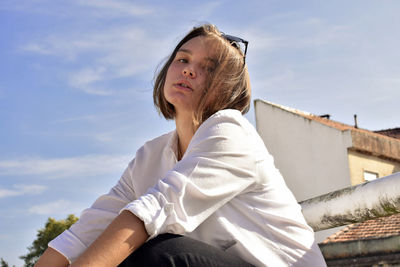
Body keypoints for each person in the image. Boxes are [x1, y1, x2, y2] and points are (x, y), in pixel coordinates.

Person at [35, 24, 326, 266]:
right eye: (183, 60)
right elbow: (86, 232)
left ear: (228, 87)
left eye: (209, 68)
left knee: (162, 255)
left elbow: (158, 208)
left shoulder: (231, 132)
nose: (189, 70)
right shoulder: (150, 155)